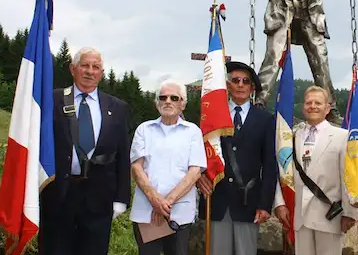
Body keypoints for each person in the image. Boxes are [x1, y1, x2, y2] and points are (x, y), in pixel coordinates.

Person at [39, 47, 131, 255]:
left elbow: (123, 155)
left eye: (96, 67)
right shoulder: (52, 100)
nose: (90, 71)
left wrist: (121, 198)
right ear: (73, 69)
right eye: (85, 65)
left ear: (101, 73)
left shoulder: (117, 107)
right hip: (58, 195)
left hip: (100, 199)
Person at [196, 61, 278, 255]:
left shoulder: (265, 119)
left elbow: (269, 165)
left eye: (245, 81)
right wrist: (199, 176)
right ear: (227, 85)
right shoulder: (213, 116)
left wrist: (265, 204)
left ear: (252, 87)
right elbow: (200, 152)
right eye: (235, 80)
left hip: (248, 202)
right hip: (217, 199)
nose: (240, 85)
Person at [274, 86, 356, 255]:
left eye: (318, 103)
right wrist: (280, 203)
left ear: (327, 108)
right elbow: (281, 170)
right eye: (308, 102)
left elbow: (348, 177)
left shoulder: (342, 136)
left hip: (329, 215)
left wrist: (350, 213)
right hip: (299, 217)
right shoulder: (292, 136)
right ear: (303, 107)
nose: (312, 106)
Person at [129, 80, 207, 255]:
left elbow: (195, 172)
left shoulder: (192, 131)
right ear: (157, 103)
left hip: (179, 213)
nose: (168, 101)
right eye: (162, 97)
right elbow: (136, 168)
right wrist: (155, 200)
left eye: (174, 98)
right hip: (147, 212)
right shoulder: (144, 129)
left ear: (183, 104)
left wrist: (165, 203)